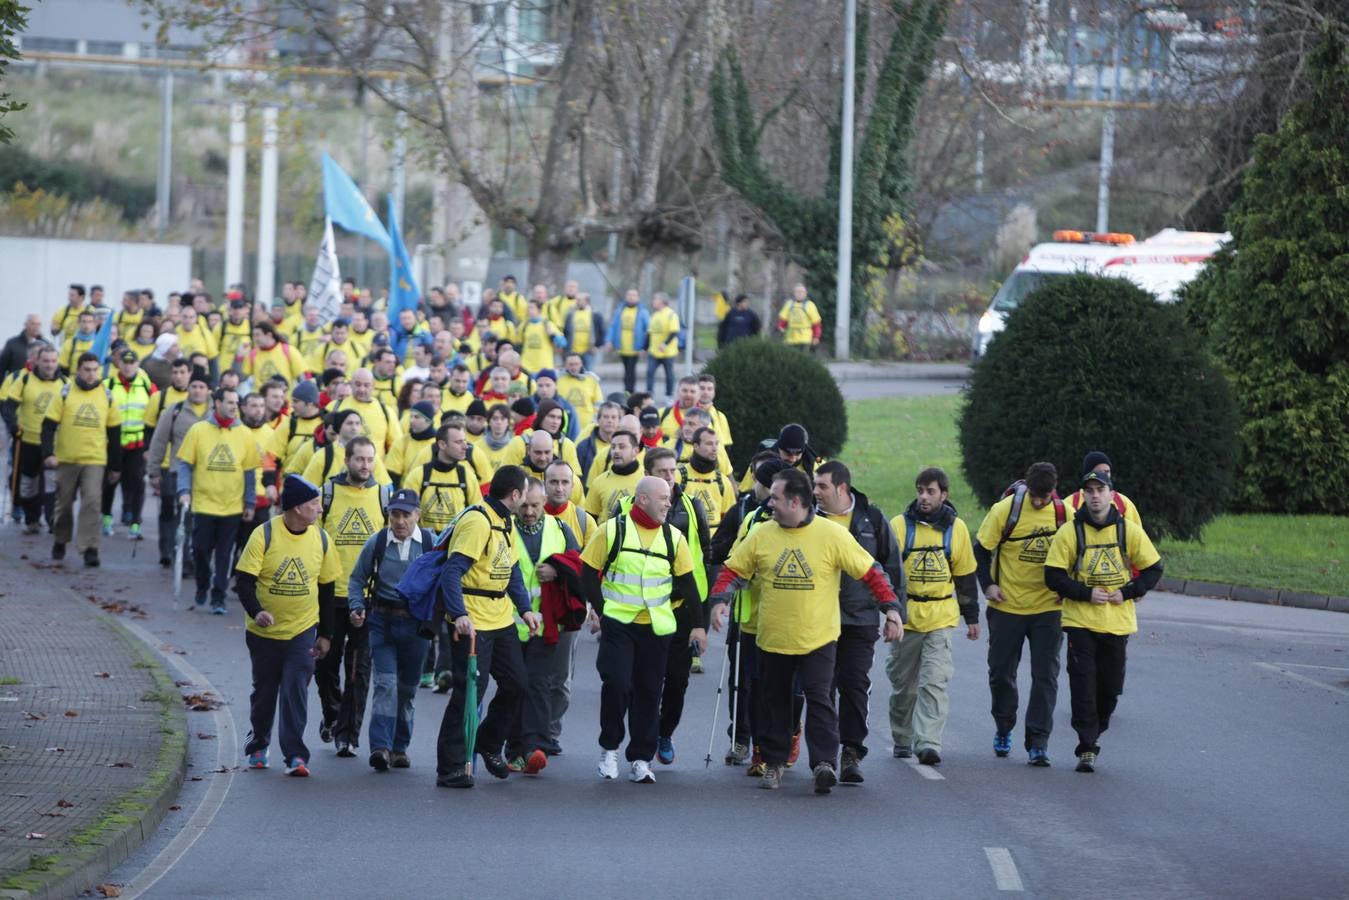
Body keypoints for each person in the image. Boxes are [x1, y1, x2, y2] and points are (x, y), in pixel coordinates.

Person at [709, 468, 902, 794]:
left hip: (819, 638)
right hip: (773, 639)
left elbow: (871, 573)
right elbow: (733, 569)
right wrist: (719, 601)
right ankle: (773, 764)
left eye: (775, 498)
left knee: (820, 699)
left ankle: (824, 763)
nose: (769, 503)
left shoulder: (832, 535)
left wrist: (892, 610)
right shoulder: (762, 534)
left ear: (795, 501)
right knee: (775, 704)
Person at [580, 475, 702, 784]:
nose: (668, 503)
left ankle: (641, 758)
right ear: (643, 499)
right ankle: (609, 750)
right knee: (618, 684)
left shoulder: (674, 538)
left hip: (657, 628)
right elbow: (587, 573)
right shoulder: (612, 530)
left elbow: (689, 586)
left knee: (649, 692)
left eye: (669, 498)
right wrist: (601, 610)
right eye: (663, 498)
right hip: (618, 624)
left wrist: (698, 626)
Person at [1044, 469, 1163, 773]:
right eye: (1090, 491)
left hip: (1117, 622)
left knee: (1109, 689)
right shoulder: (1071, 532)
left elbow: (1153, 568)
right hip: (1080, 620)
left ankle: (1096, 729)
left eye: (1100, 490)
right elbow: (1053, 575)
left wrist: (1128, 592)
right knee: (1083, 684)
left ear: (1112, 494)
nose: (1095, 496)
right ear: (1083, 495)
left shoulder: (1128, 531)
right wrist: (1085, 593)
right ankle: (1086, 746)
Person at [434, 466, 542, 788]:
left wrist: (525, 609)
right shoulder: (478, 521)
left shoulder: (505, 521)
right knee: (469, 694)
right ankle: (450, 767)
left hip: (501, 618)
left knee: (518, 685)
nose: (526, 503)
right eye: (524, 495)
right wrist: (459, 614)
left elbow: (511, 571)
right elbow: (452, 572)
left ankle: (489, 743)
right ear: (515, 495)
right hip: (473, 622)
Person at [235, 474, 341, 776]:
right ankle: (258, 745)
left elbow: (327, 589)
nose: (319, 510)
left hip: (302, 630)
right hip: (263, 633)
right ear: (296, 508)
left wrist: (326, 634)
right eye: (314, 504)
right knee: (265, 691)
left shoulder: (321, 538)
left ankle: (295, 755)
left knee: (295, 689)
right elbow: (244, 582)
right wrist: (257, 612)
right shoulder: (263, 535)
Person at [813, 460, 906, 783]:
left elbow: (891, 568)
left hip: (859, 618)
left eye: (822, 486)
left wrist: (894, 612)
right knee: (821, 689)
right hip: (817, 618)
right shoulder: (810, 518)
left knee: (854, 684)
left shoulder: (872, 518)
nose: (816, 492)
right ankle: (823, 757)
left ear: (842, 488)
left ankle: (851, 751)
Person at [973, 461, 1069, 765]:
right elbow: (981, 549)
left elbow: (1077, 552)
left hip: (1048, 608)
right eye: (1035, 496)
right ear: (1027, 487)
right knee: (1001, 673)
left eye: (1045, 496)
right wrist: (988, 585)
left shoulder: (1063, 514)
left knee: (1046, 676)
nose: (1039, 502)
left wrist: (1066, 588)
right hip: (1007, 606)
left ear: (1052, 491)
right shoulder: (1006, 511)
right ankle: (1004, 725)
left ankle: (1038, 741)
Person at [887, 466, 979, 767]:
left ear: (944, 494)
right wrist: (890, 613)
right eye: (920, 491)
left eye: (931, 491)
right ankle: (902, 736)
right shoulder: (900, 526)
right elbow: (887, 573)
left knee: (934, 681)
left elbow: (965, 576)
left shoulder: (957, 529)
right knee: (904, 685)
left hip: (941, 615)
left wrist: (972, 616)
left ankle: (928, 742)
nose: (924, 497)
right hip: (907, 617)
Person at [347, 488, 437, 771]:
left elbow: (444, 581)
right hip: (382, 623)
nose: (400, 521)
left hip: (416, 626)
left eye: (406, 515)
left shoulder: (430, 544)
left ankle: (400, 747)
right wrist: (356, 605)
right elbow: (356, 580)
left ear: (417, 515)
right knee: (385, 685)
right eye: (394, 515)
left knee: (408, 689)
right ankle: (380, 748)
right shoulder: (376, 544)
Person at [710, 456, 786, 770]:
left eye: (756, 479)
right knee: (742, 684)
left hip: (779, 617)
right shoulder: (747, 514)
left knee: (774, 685)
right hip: (745, 614)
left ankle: (773, 743)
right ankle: (741, 739)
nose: (751, 485)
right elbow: (725, 552)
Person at [316, 435, 389, 758]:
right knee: (326, 664)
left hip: (367, 598)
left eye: (370, 459)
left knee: (359, 668)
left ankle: (347, 734)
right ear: (346, 461)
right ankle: (332, 712)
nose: (365, 465)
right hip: (331, 595)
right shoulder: (328, 495)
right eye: (359, 459)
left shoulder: (383, 496)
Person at [505, 478, 581, 773]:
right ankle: (513, 749)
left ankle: (534, 748)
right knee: (514, 687)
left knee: (538, 685)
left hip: (545, 625)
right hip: (509, 624)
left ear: (544, 501)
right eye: (524, 505)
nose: (529, 511)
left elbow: (578, 565)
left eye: (535, 505)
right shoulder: (504, 528)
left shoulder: (560, 529)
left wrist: (558, 569)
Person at [640, 448, 710, 767]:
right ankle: (644, 732)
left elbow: (705, 558)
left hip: (682, 608)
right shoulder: (628, 509)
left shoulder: (693, 507)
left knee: (677, 681)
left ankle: (664, 733)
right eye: (662, 471)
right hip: (643, 610)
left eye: (673, 470)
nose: (670, 477)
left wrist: (701, 619)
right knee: (645, 678)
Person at [177, 386, 260, 613]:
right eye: (230, 402)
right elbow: (185, 464)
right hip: (203, 504)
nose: (234, 407)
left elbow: (249, 472)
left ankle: (218, 596)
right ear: (217, 403)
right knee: (201, 550)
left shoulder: (245, 434)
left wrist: (249, 503)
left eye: (236, 402)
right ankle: (203, 584)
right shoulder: (198, 430)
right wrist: (184, 490)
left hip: (232, 506)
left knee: (225, 554)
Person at [40, 352, 123, 566]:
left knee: (93, 502)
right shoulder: (65, 393)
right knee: (64, 503)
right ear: (78, 369)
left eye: (95, 370)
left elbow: (114, 433)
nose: (91, 374)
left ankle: (90, 547)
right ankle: (60, 538)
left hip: (95, 459)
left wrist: (115, 466)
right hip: (66, 459)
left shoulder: (107, 395)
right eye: (87, 369)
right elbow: (48, 425)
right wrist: (48, 453)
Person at [147, 367, 211, 568]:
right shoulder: (175, 411)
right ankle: (175, 554)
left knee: (198, 518)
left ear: (208, 390)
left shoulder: (214, 412)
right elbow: (159, 441)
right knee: (179, 513)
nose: (197, 391)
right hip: (178, 470)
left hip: (208, 475)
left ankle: (193, 555)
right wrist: (154, 470)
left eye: (201, 387)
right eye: (194, 386)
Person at [2, 343, 64, 532]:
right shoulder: (24, 380)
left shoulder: (65, 384)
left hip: (53, 445)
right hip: (27, 440)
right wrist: (13, 425)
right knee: (29, 483)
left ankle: (52, 518)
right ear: (37, 361)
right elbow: (8, 406)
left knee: (52, 484)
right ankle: (32, 520)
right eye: (45, 361)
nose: (49, 365)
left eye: (53, 361)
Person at [101, 349, 157, 539]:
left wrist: (151, 446)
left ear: (137, 364)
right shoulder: (107, 385)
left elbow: (155, 412)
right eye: (124, 362)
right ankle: (107, 518)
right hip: (113, 444)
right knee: (110, 482)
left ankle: (135, 523)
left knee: (137, 483)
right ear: (119, 364)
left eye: (132, 362)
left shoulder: (146, 385)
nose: (128, 366)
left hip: (137, 444)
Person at [401, 422, 481, 534]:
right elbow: (405, 514)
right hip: (424, 546)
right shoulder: (418, 475)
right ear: (442, 445)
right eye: (458, 442)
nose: (465, 446)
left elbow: (477, 518)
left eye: (464, 441)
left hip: (456, 544)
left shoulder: (468, 477)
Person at [331, 368, 400, 457]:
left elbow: (396, 446)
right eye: (358, 384)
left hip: (374, 468)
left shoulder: (386, 412)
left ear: (373, 385)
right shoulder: (335, 407)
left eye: (366, 385)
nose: (362, 389)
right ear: (351, 384)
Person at [1065, 451, 1143, 525]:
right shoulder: (1069, 503)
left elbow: (1137, 535)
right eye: (1099, 472)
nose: (1105, 476)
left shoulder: (1123, 503)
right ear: (1088, 474)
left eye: (1107, 472)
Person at [583, 429, 643, 525]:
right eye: (613, 447)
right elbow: (589, 520)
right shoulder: (599, 481)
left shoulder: (646, 480)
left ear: (635, 451)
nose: (616, 451)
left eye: (622, 447)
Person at [604, 289, 650, 394]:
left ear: (638, 297)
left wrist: (644, 347)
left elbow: (648, 329)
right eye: (629, 295)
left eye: (634, 295)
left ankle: (630, 390)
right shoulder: (620, 310)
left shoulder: (642, 311)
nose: (631, 297)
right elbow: (613, 326)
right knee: (626, 369)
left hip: (635, 348)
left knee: (631, 370)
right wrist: (609, 340)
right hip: (623, 347)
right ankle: (627, 390)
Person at [645, 293, 681, 399]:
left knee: (669, 374)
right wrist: (645, 347)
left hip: (668, 352)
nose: (653, 302)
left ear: (662, 301)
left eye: (655, 299)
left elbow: (674, 332)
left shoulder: (671, 315)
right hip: (654, 351)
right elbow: (650, 333)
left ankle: (668, 396)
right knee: (650, 373)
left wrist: (665, 344)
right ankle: (649, 394)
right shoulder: (655, 315)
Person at [562, 294, 602, 371]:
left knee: (588, 374)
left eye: (580, 300)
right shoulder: (570, 315)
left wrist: (597, 346)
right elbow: (565, 331)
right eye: (577, 300)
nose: (577, 302)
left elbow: (601, 331)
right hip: (573, 351)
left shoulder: (595, 315)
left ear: (587, 301)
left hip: (588, 351)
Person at [776, 283, 821, 351]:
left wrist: (816, 337)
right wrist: (780, 327)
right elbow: (783, 320)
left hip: (805, 338)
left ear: (805, 293)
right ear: (794, 293)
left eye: (801, 292)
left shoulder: (810, 305)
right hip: (791, 338)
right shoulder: (789, 304)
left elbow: (816, 323)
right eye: (797, 292)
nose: (799, 294)